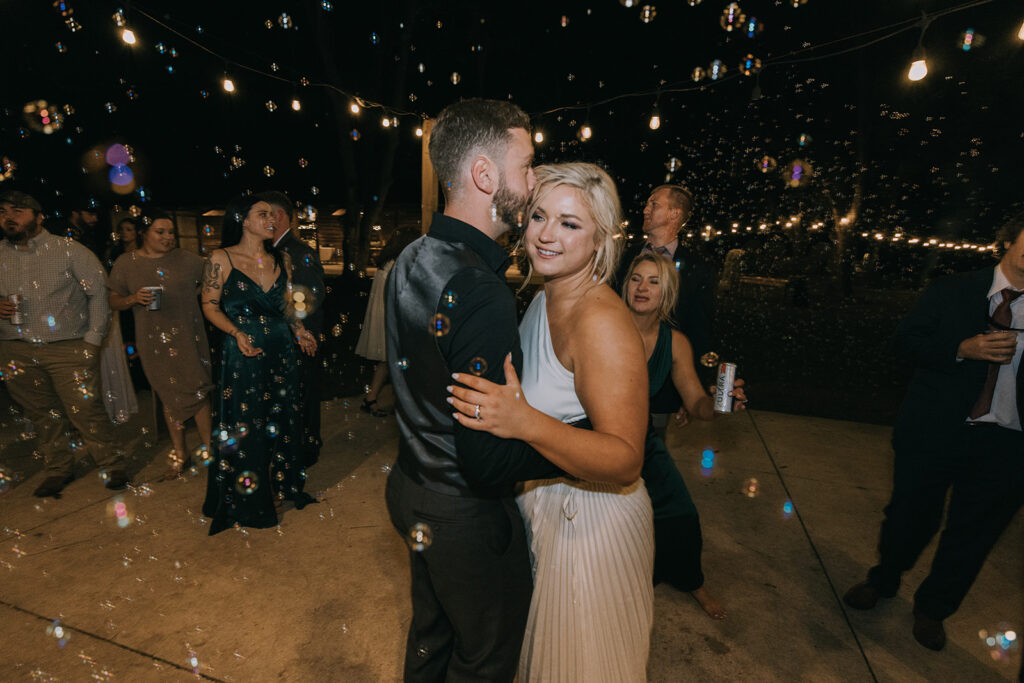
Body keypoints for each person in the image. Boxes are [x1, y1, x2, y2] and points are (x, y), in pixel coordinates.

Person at [449, 162, 653, 681]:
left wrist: (523, 421)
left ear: (601, 239)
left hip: (593, 522)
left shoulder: (601, 321)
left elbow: (626, 458)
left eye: (569, 223)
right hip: (544, 506)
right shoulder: (543, 298)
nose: (544, 234)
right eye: (539, 215)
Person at [384, 99, 565, 682]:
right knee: (484, 658)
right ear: (485, 176)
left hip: (409, 486)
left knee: (431, 638)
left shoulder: (412, 255)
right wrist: (580, 444)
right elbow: (487, 455)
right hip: (462, 509)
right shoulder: (481, 289)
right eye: (527, 165)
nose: (534, 181)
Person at [843, 211, 1024, 651]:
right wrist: (962, 348)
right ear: (1008, 241)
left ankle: (933, 609)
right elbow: (905, 344)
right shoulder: (953, 289)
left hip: (1008, 443)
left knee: (973, 535)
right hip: (936, 430)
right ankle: (884, 579)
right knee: (909, 516)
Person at [622, 252, 746, 620]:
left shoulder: (674, 343)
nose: (642, 287)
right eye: (636, 279)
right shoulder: (603, 325)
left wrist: (720, 405)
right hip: (592, 434)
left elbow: (696, 401)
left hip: (642, 440)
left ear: (669, 292)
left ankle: (692, 581)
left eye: (654, 281)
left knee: (681, 514)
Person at [199, 195, 317, 535]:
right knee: (247, 422)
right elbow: (209, 305)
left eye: (274, 215)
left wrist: (299, 330)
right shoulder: (220, 259)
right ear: (243, 220)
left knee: (280, 417)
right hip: (243, 351)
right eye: (263, 214)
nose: (272, 219)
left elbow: (288, 304)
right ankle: (254, 494)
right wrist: (236, 332)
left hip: (281, 349)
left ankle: (279, 483)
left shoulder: (283, 258)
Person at [0, 190, 129, 496]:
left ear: (39, 217)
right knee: (42, 414)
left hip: (67, 346)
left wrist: (93, 341)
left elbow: (98, 294)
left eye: (17, 211)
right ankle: (58, 468)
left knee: (84, 409)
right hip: (14, 347)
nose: (8, 217)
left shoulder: (71, 251)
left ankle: (112, 464)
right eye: (3, 211)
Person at [108, 212, 214, 479]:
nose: (168, 238)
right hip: (152, 339)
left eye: (171, 232)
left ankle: (212, 451)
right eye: (160, 232)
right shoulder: (126, 263)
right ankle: (181, 455)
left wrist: (200, 296)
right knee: (169, 395)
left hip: (189, 336)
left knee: (198, 391)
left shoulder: (188, 260)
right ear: (144, 233)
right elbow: (113, 300)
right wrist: (133, 297)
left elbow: (215, 279)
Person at [615, 185, 716, 428]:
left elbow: (699, 327)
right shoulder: (621, 257)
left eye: (654, 204)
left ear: (674, 214)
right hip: (613, 368)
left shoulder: (698, 267)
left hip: (663, 385)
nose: (645, 209)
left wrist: (693, 392)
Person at [257, 191, 326, 467]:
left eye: (266, 215)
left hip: (300, 340)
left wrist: (297, 332)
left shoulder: (299, 253)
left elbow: (310, 298)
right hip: (282, 341)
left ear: (280, 217)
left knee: (304, 397)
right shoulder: (271, 253)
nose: (263, 221)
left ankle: (307, 449)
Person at [355, 228, 418, 417]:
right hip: (392, 318)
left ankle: (371, 399)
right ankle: (402, 404)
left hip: (383, 316)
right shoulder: (398, 265)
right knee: (397, 362)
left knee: (387, 362)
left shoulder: (387, 263)